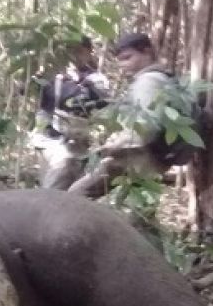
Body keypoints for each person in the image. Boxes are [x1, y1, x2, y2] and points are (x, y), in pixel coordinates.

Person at [67, 32, 176, 198]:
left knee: (76, 195)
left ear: (147, 52)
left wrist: (111, 147)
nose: (122, 65)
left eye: (127, 57)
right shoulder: (162, 77)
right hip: (151, 158)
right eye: (120, 60)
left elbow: (146, 129)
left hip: (139, 158)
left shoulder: (149, 81)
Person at [27, 36, 111, 190]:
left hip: (73, 145)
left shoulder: (96, 79)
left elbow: (97, 105)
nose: (74, 55)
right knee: (50, 185)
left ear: (88, 52)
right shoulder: (52, 76)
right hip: (46, 141)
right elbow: (35, 96)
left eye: (79, 50)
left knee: (54, 190)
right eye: (70, 50)